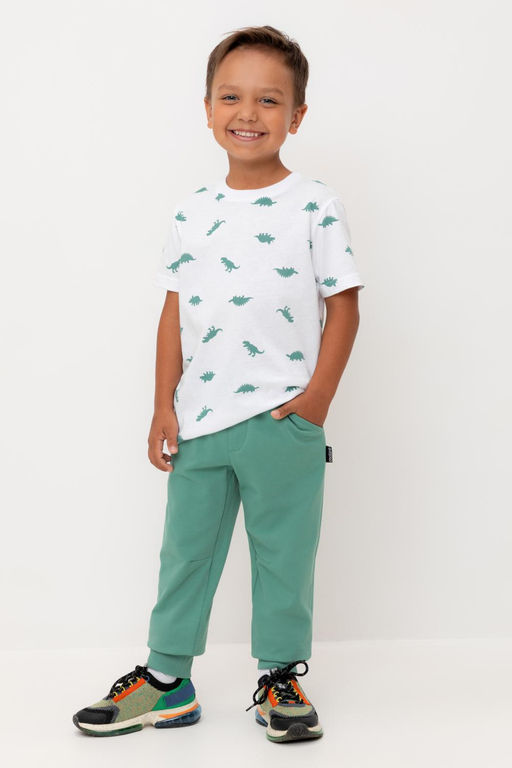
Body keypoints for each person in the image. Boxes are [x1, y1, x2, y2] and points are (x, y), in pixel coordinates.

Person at [72, 24, 365, 744]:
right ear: (207, 109)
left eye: (270, 100)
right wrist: (161, 406)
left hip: (282, 421)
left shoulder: (314, 204)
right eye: (231, 97)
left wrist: (315, 404)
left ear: (297, 115)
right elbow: (173, 315)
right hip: (200, 419)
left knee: (284, 554)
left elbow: (345, 305)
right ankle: (166, 680)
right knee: (186, 552)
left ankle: (281, 677)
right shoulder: (192, 211)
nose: (248, 113)